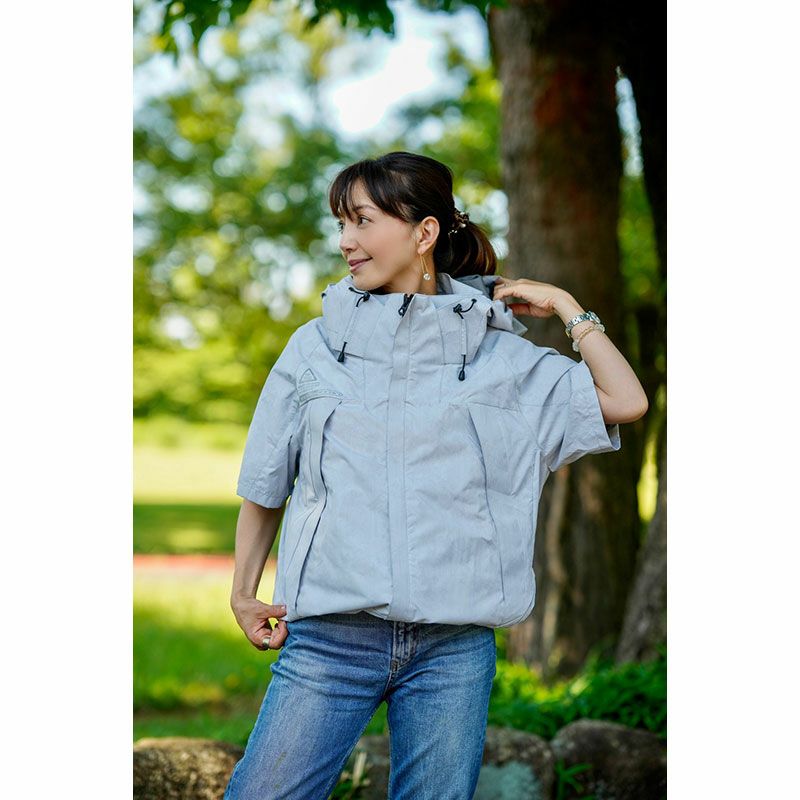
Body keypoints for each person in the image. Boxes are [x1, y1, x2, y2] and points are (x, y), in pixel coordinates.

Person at [223, 151, 648, 800]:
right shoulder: (313, 348)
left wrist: (567, 307)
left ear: (423, 232)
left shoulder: (504, 361)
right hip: (332, 638)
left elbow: (626, 400)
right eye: (341, 223)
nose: (346, 241)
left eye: (362, 221)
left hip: (454, 649)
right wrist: (243, 591)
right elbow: (265, 481)